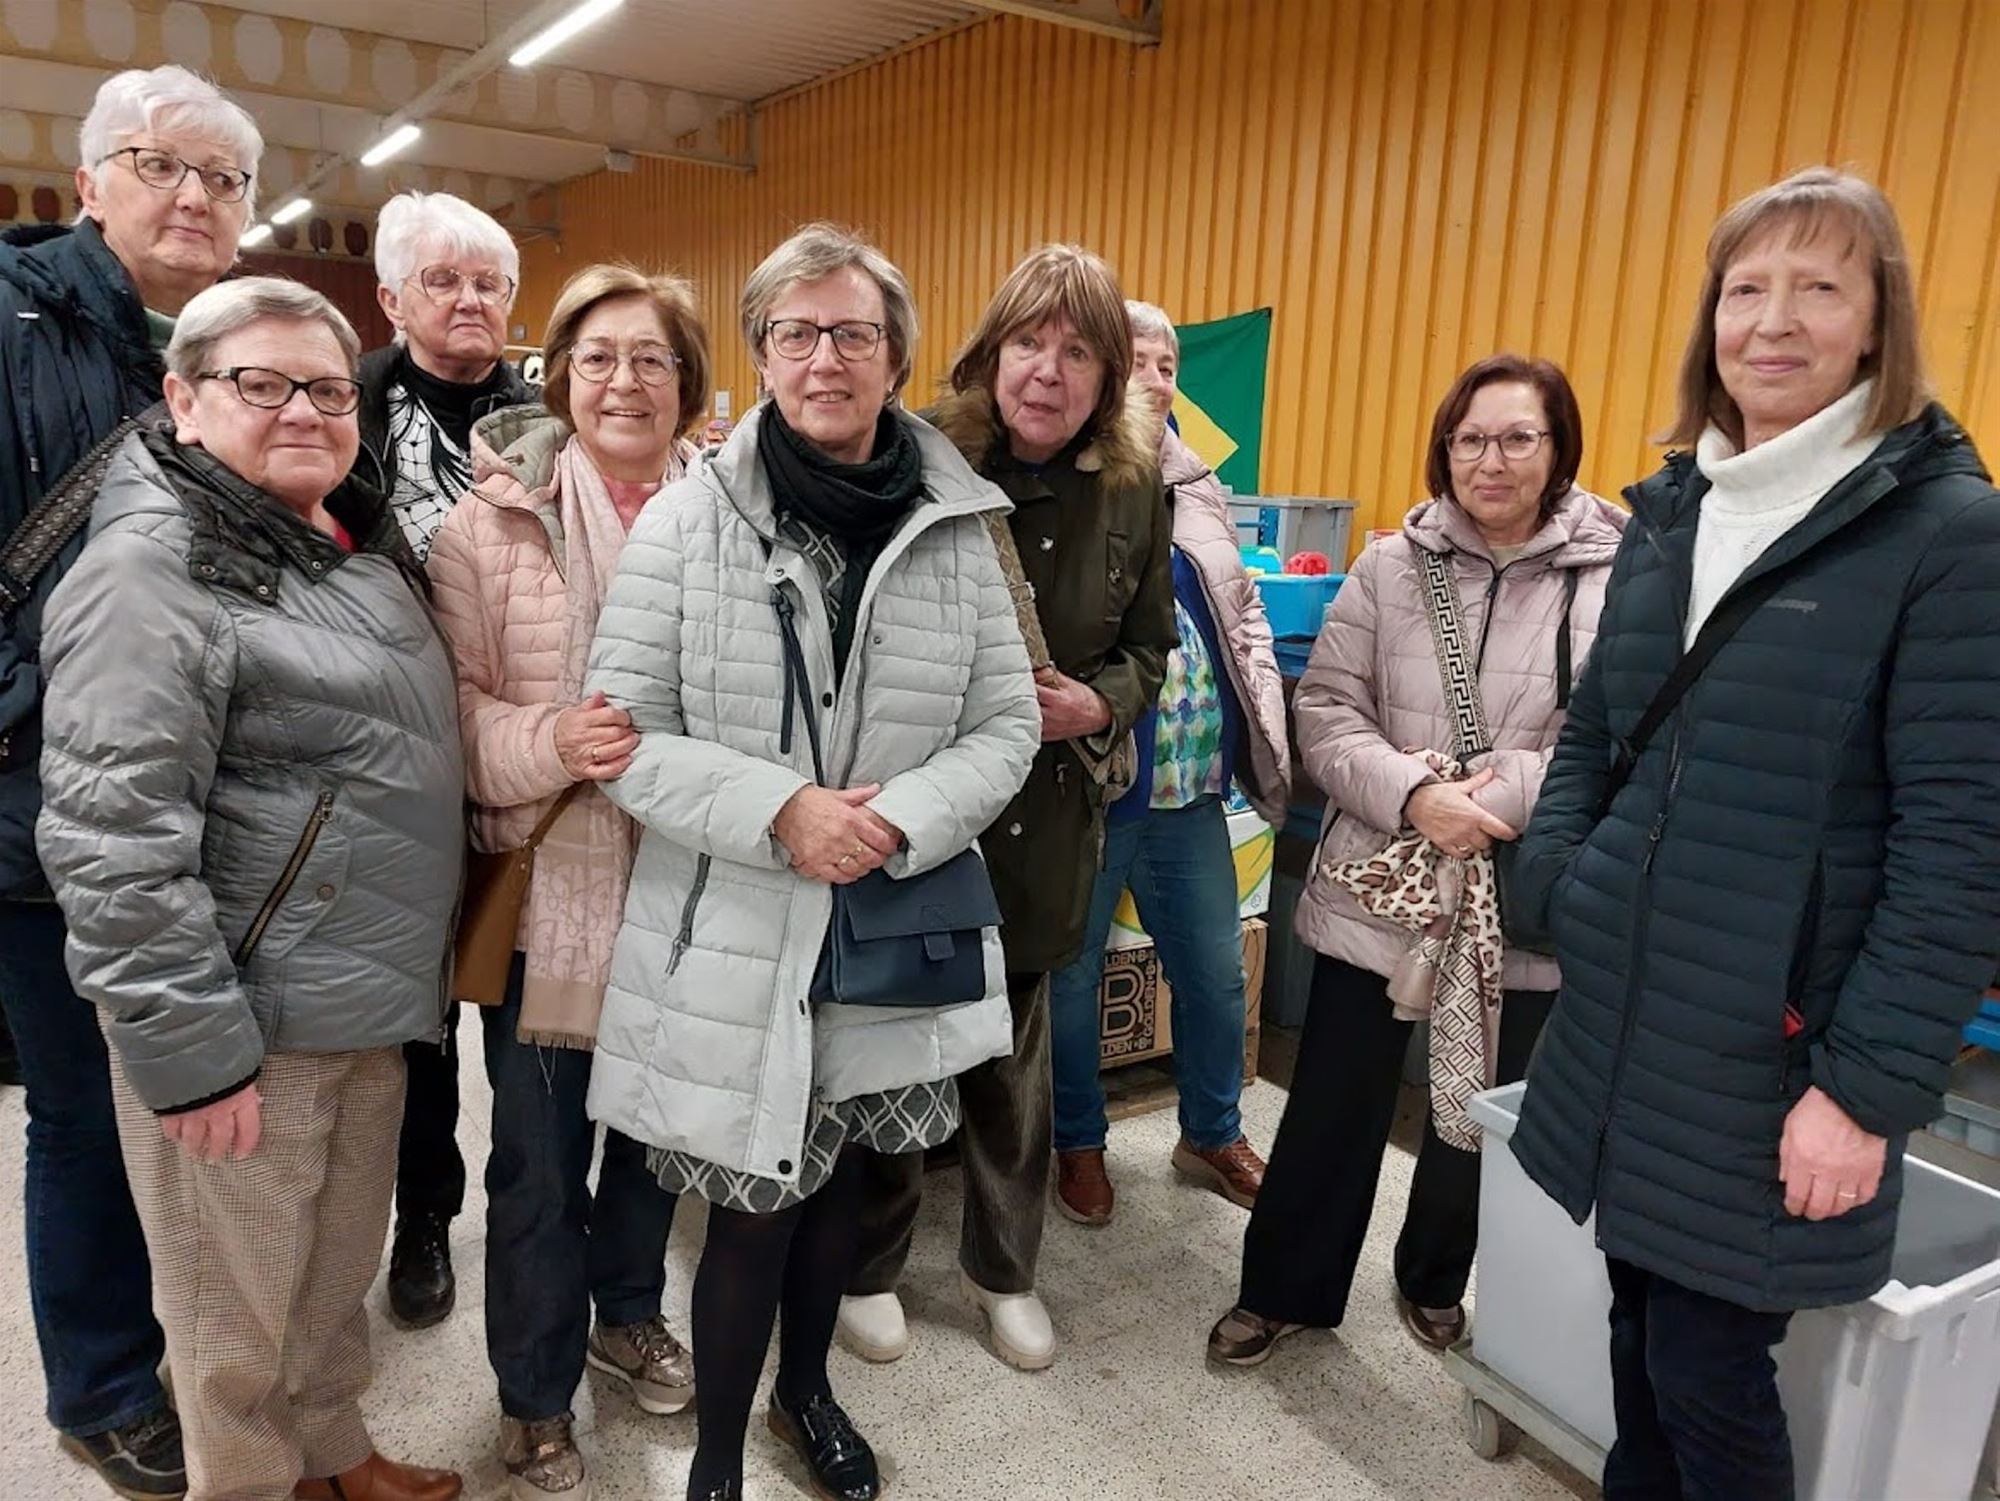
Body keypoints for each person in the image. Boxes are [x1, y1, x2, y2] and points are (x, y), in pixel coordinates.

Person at [1508, 169, 2000, 1501]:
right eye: (1745, 289)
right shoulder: (1677, 511)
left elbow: (1962, 853)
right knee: (1636, 1337)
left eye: (1818, 286)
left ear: (1877, 320)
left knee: (1708, 1376)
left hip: (1775, 1059)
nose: (1772, 321)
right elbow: (1598, 731)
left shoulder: (1947, 534)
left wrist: (1861, 1096)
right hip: (1625, 1029)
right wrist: (1557, 884)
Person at [584, 223, 1038, 1501]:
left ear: (895, 358)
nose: (823, 358)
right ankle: (718, 1460)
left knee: (841, 1185)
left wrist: (893, 819)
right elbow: (623, 737)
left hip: (885, 913)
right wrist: (782, 809)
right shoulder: (687, 521)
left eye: (851, 333)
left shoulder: (958, 525)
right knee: (749, 1210)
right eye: (795, 333)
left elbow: (1006, 723)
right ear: (761, 355)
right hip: (735, 923)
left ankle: (807, 1393)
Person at [35, 277, 465, 1501]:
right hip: (247, 1021)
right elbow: (112, 833)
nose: (302, 412)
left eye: (327, 388)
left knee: (328, 1278)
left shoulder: (341, 541)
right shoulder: (152, 569)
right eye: (260, 383)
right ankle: (252, 1483)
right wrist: (190, 1052)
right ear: (183, 401)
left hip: (360, 999)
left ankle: (332, 1452)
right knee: (231, 1318)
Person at [1207, 355, 1627, 1368]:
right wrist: (1412, 794)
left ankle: (1434, 1276)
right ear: (1444, 448)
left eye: (1517, 437)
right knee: (1333, 1101)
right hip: (1381, 882)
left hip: (1521, 893)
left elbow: (1618, 737)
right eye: (1469, 439)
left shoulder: (1617, 576)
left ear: (1559, 446)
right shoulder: (1391, 567)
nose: (1491, 460)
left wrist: (1495, 802)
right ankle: (1285, 1289)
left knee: (1477, 1109)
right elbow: (1324, 708)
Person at [841, 245, 1178, 1373]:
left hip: (1047, 813)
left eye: (1078, 351)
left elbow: (1149, 646)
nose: (1048, 370)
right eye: (1029, 342)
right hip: (928, 805)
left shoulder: (1133, 488)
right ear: (990, 354)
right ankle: (868, 1267)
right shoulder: (914, 462)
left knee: (1012, 1062)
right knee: (897, 1042)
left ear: (1109, 377)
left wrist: (1101, 700)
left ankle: (1003, 1271)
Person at [0, 64, 262, 1501]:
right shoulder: (16, 322)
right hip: (46, 800)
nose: (193, 196)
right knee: (84, 1111)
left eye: (224, 178)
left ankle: (192, 1338)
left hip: (203, 800)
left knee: (187, 1094)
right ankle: (101, 1386)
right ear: (90, 181)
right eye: (161, 164)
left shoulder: (234, 344)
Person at [426, 262, 708, 1499]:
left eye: (651, 358)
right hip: (554, 896)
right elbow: (452, 715)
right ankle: (534, 1392)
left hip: (694, 892)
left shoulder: (730, 519)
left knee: (653, 1141)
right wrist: (553, 741)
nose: (623, 382)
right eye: (596, 357)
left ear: (688, 382)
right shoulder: (483, 527)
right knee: (539, 1162)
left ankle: (627, 1312)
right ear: (559, 378)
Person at [1043, 300, 1291, 1226]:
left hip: (1191, 789)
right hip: (1095, 786)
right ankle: (1077, 1141)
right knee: (1072, 978)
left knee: (1216, 973)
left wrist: (1260, 710)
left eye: (1167, 363)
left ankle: (1211, 1133)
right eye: (1136, 361)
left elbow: (1242, 610)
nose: (1155, 377)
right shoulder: (1069, 481)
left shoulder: (1200, 483)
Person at [362, 189, 536, 1330]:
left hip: (521, 751)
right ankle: (423, 1212)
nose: (469, 300)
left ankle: (536, 1215)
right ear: (392, 298)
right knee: (418, 1014)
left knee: (521, 1001)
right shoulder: (347, 412)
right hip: (395, 759)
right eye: (443, 279)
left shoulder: (550, 421)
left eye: (488, 282)